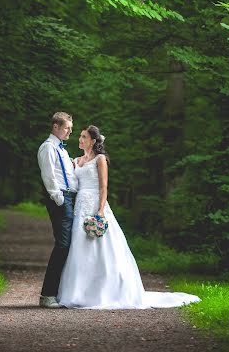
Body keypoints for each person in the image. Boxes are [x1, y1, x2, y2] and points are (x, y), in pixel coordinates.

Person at [57, 125, 201, 309]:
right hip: (80, 207)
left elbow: (103, 187)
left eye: (84, 137)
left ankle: (105, 291)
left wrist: (100, 211)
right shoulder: (76, 161)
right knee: (79, 247)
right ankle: (78, 292)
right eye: (80, 136)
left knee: (101, 247)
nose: (80, 139)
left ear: (93, 141)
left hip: (94, 204)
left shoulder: (100, 159)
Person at [37, 111, 78, 308]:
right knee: (62, 245)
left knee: (68, 245)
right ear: (55, 127)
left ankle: (59, 292)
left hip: (69, 197)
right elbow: (49, 176)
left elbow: (68, 173)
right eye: (67, 128)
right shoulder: (48, 148)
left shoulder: (62, 149)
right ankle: (47, 295)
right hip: (60, 199)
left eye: (70, 128)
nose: (70, 132)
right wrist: (59, 199)